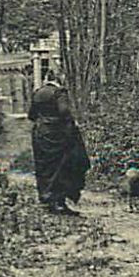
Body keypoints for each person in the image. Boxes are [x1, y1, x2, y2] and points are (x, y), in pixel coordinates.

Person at [29, 74, 89, 215]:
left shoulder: (37, 93)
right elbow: (64, 111)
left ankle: (47, 199)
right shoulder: (60, 92)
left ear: (46, 80)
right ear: (58, 80)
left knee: (44, 166)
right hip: (58, 133)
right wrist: (71, 125)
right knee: (63, 165)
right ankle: (59, 201)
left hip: (40, 134)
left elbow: (31, 115)